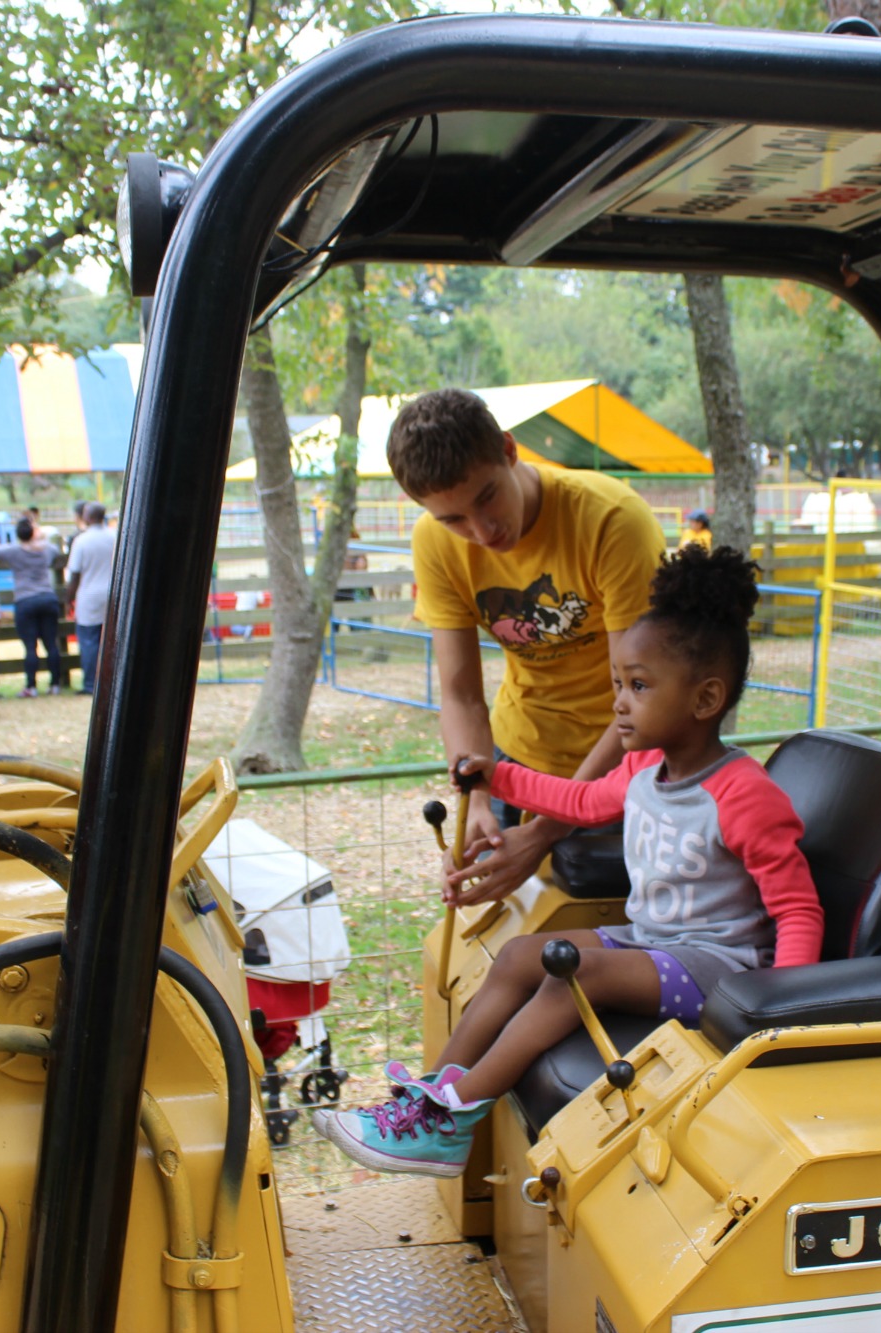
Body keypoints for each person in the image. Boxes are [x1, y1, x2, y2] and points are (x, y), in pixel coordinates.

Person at [312, 545, 822, 1177]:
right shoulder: (642, 769)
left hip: (718, 967)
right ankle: (423, 1101)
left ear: (705, 698)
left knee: (569, 974)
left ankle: (452, 1117)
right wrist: (497, 776)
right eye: (617, 685)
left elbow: (797, 908)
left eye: (638, 686)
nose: (619, 704)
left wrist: (782, 1014)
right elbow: (578, 801)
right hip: (656, 942)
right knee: (526, 953)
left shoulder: (743, 793)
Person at [388, 387, 666, 905]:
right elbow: (461, 695)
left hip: (617, 768)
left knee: (582, 943)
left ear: (510, 451)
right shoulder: (433, 542)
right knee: (500, 933)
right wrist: (476, 798)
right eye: (453, 520)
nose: (481, 530)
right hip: (517, 759)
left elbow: (643, 701)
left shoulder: (611, 521)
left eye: (486, 496)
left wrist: (544, 833)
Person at [0, 516, 65, 695]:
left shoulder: (13, 551)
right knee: (51, 643)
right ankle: (55, 684)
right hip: (47, 597)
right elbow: (55, 549)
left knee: (30, 646)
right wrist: (40, 538)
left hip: (25, 600)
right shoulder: (46, 550)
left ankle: (31, 686)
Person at [64, 501, 115, 695]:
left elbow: (74, 574)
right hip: (112, 595)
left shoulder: (81, 540)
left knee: (88, 641)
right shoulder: (114, 536)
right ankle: (110, 681)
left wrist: (68, 599)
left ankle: (90, 683)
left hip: (89, 596)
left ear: (88, 517)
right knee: (111, 639)